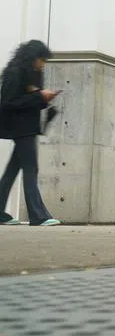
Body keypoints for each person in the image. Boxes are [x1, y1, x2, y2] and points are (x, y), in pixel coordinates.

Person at [0, 40, 61, 226]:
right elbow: (9, 102)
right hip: (19, 127)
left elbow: (32, 99)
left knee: (12, 170)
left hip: (28, 127)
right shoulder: (15, 73)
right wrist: (39, 96)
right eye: (40, 60)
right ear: (31, 57)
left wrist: (45, 99)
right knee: (31, 169)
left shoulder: (34, 73)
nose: (42, 65)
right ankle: (37, 215)